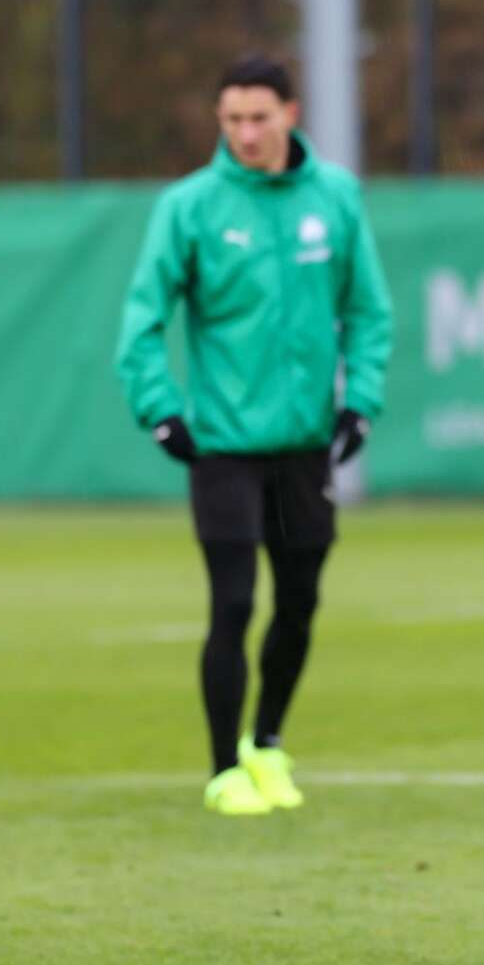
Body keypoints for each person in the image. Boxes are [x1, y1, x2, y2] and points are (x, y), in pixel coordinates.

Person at [115, 56, 393, 816]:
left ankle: (266, 745)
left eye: (258, 117)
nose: (245, 132)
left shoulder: (335, 197)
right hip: (223, 449)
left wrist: (359, 400)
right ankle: (221, 771)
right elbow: (141, 321)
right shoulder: (190, 207)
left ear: (290, 114)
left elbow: (369, 309)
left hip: (304, 446)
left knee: (299, 601)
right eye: (231, 119)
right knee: (233, 603)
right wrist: (161, 409)